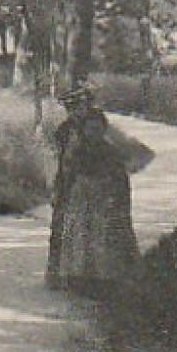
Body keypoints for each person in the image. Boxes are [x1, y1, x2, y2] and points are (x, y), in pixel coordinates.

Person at [54, 112, 140, 299]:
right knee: (79, 236)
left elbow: (120, 178)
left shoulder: (110, 152)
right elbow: (68, 176)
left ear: (104, 130)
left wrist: (117, 200)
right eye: (90, 129)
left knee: (101, 238)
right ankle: (77, 277)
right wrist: (64, 196)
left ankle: (102, 280)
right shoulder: (77, 151)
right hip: (81, 199)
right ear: (84, 131)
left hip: (102, 198)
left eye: (98, 129)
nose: (93, 133)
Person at [46, 84, 109, 289]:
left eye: (79, 107)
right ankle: (58, 273)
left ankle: (89, 275)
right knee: (62, 227)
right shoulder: (64, 131)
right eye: (71, 108)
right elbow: (61, 160)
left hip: (89, 182)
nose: (75, 112)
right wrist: (56, 185)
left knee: (91, 228)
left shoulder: (92, 127)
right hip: (68, 182)